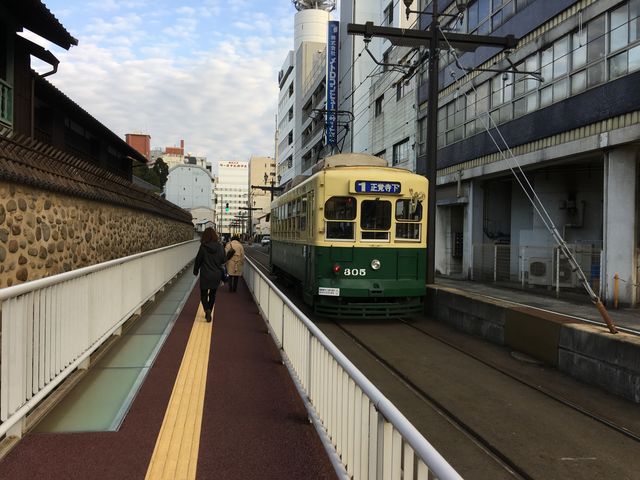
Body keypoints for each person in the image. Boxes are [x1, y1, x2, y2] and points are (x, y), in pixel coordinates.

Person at [193, 227, 226, 322]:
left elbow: (198, 260)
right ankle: (210, 310)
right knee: (212, 294)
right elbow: (223, 260)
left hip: (205, 274)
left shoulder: (203, 247)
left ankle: (206, 309)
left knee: (203, 294)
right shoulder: (220, 247)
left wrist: (195, 271)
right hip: (216, 275)